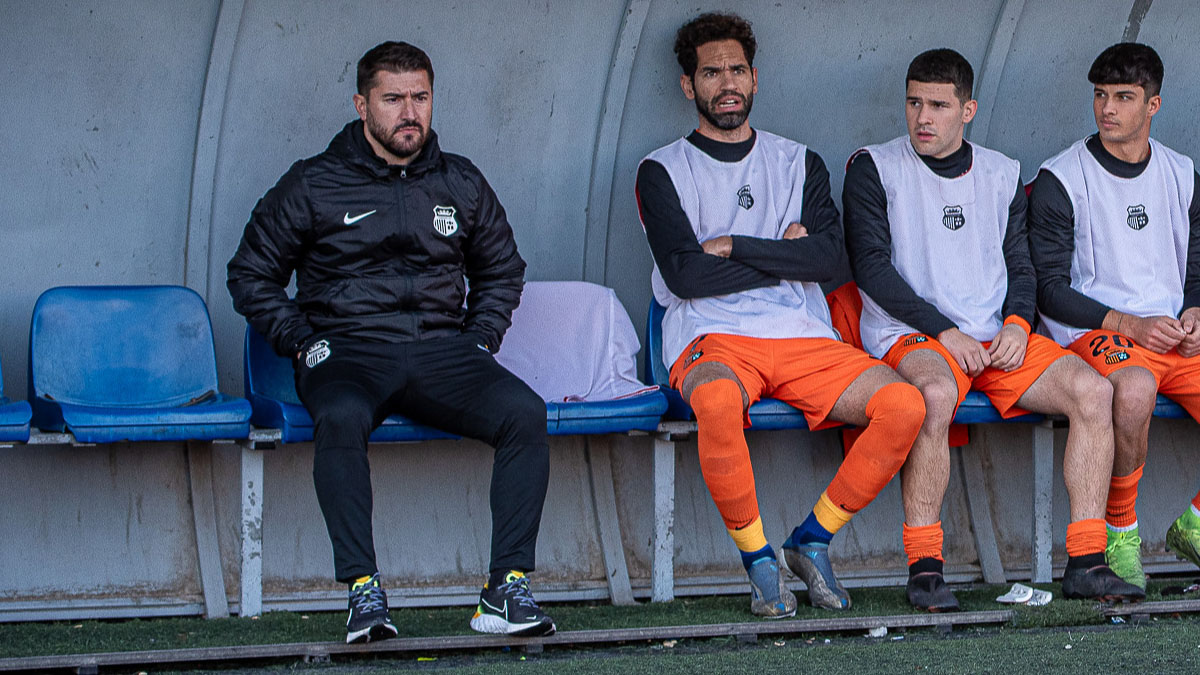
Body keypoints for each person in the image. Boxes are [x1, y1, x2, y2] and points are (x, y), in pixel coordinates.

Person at [227, 41, 555, 643]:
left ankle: (505, 590)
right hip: (347, 349)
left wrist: (480, 338)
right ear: (362, 105)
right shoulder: (313, 183)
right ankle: (363, 594)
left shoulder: (459, 179)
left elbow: (502, 268)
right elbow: (251, 274)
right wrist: (303, 341)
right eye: (394, 99)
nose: (410, 113)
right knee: (342, 414)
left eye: (421, 97)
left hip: (440, 349)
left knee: (523, 412)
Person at [637, 11, 926, 617]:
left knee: (903, 406)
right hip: (712, 336)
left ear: (756, 77)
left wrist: (738, 245)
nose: (727, 82)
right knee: (715, 402)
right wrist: (786, 254)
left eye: (737, 69)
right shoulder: (662, 168)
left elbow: (830, 259)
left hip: (800, 335)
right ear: (689, 86)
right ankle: (760, 562)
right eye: (711, 72)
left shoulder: (799, 161)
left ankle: (812, 540)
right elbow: (686, 274)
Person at [843, 48, 1143, 610]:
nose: (922, 118)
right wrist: (944, 331)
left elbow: (1022, 266)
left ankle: (1085, 560)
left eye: (938, 105)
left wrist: (1014, 323)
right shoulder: (873, 166)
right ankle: (926, 568)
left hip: (993, 335)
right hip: (912, 332)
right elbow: (871, 268)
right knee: (932, 394)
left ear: (969, 109)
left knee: (1093, 390)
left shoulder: (1002, 171)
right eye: (913, 103)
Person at [1029, 42, 1200, 591]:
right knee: (1132, 389)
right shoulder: (1062, 177)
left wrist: (1195, 311)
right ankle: (1120, 534)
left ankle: (1194, 524)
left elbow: (1194, 264)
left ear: (1153, 105)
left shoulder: (1181, 172)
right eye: (1101, 96)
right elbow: (1050, 290)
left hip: (1171, 336)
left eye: (1124, 97)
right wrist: (1130, 324)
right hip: (1095, 333)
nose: (1107, 109)